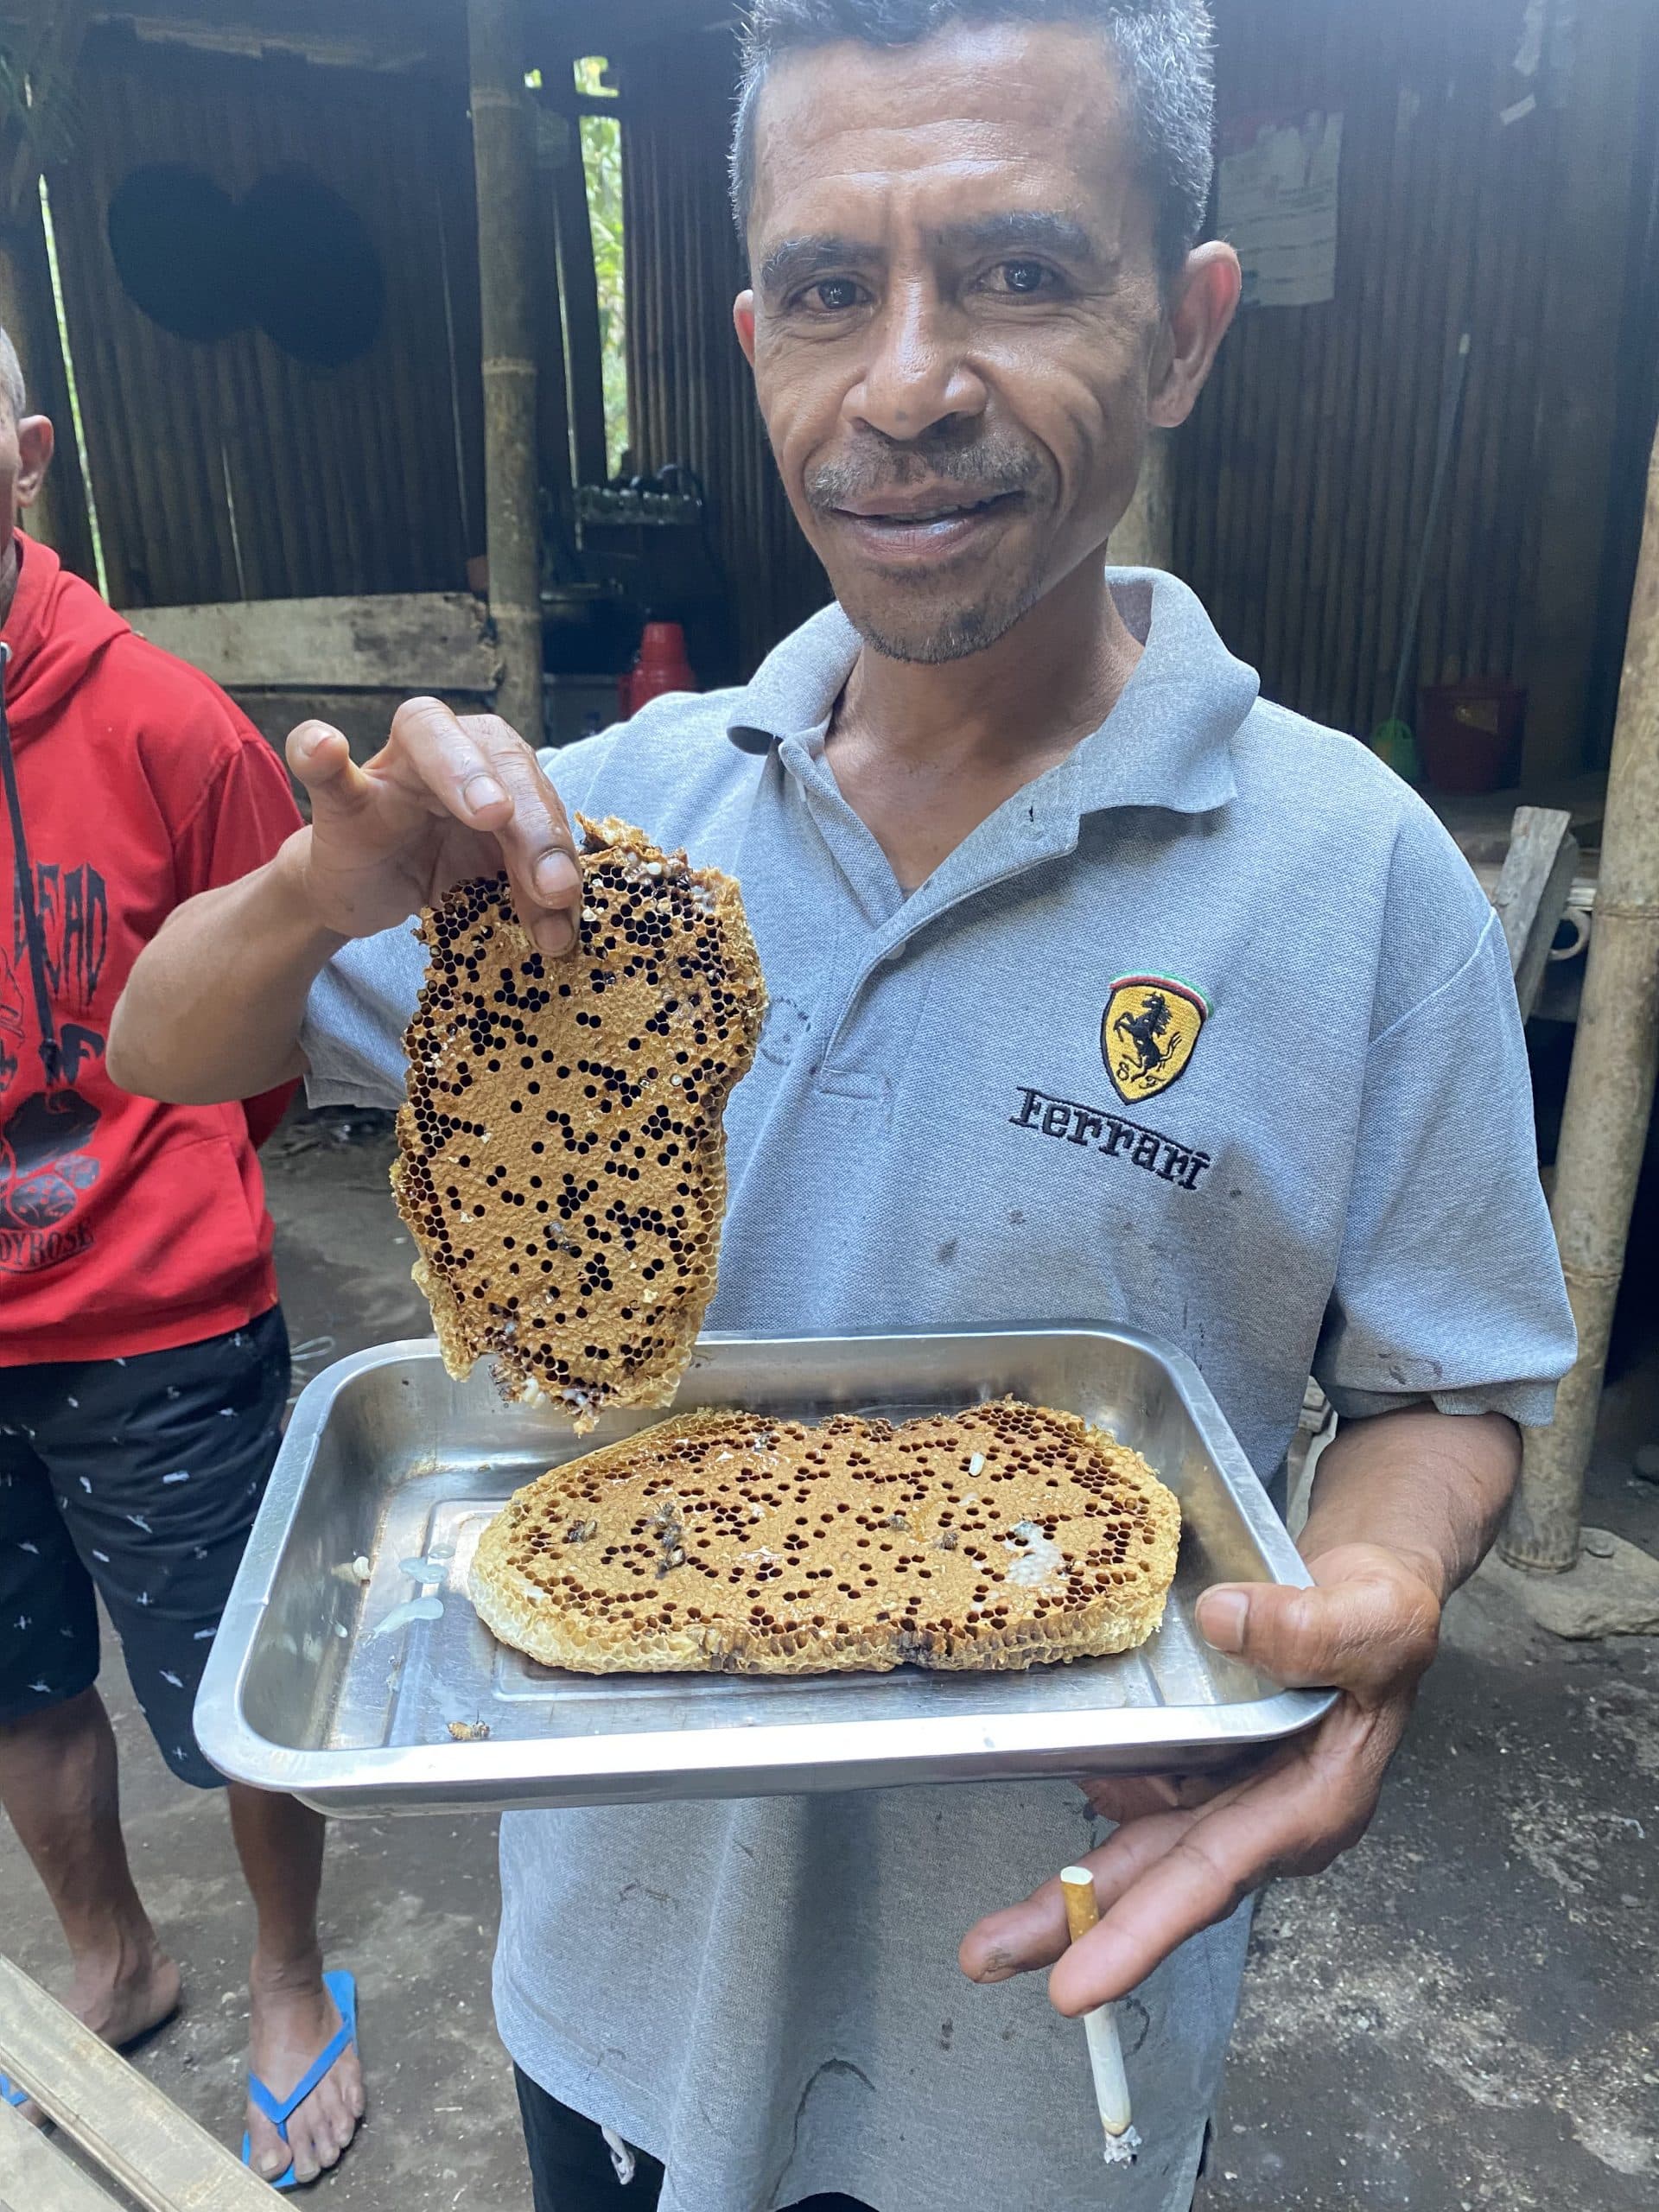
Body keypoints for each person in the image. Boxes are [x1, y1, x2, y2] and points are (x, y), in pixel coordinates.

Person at [110, 2, 1575, 2206]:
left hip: (1050, 2037)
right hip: (611, 2002)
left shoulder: (1358, 882)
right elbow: (161, 1041)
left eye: (1016, 270)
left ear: (1183, 329)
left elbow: (1446, 1385)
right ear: (755, 340)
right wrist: (325, 885)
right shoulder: (587, 857)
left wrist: (1364, 1589)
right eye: (828, 292)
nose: (904, 383)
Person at [0, 340, 364, 2187]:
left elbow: (274, 1037)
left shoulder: (161, 721)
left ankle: (293, 1977)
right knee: (16, 1680)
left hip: (158, 1321)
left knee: (237, 1696)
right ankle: (114, 1954)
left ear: (25, 454)